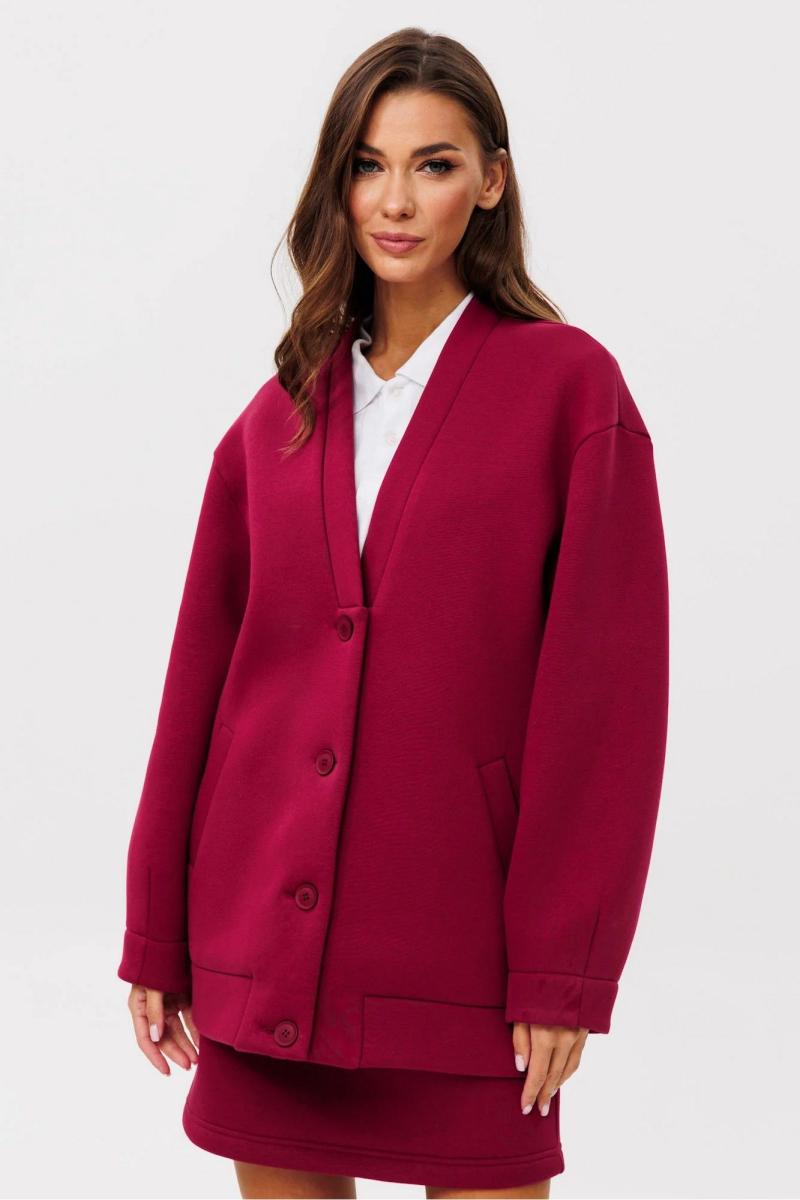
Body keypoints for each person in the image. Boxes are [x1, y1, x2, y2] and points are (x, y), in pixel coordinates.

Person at [117, 26, 669, 1200]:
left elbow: (604, 710)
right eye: (367, 165)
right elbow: (198, 691)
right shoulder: (276, 418)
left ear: (491, 181)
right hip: (262, 953)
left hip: (462, 960)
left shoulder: (570, 393)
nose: (396, 201)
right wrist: (155, 932)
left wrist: (563, 973)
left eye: (434, 164)